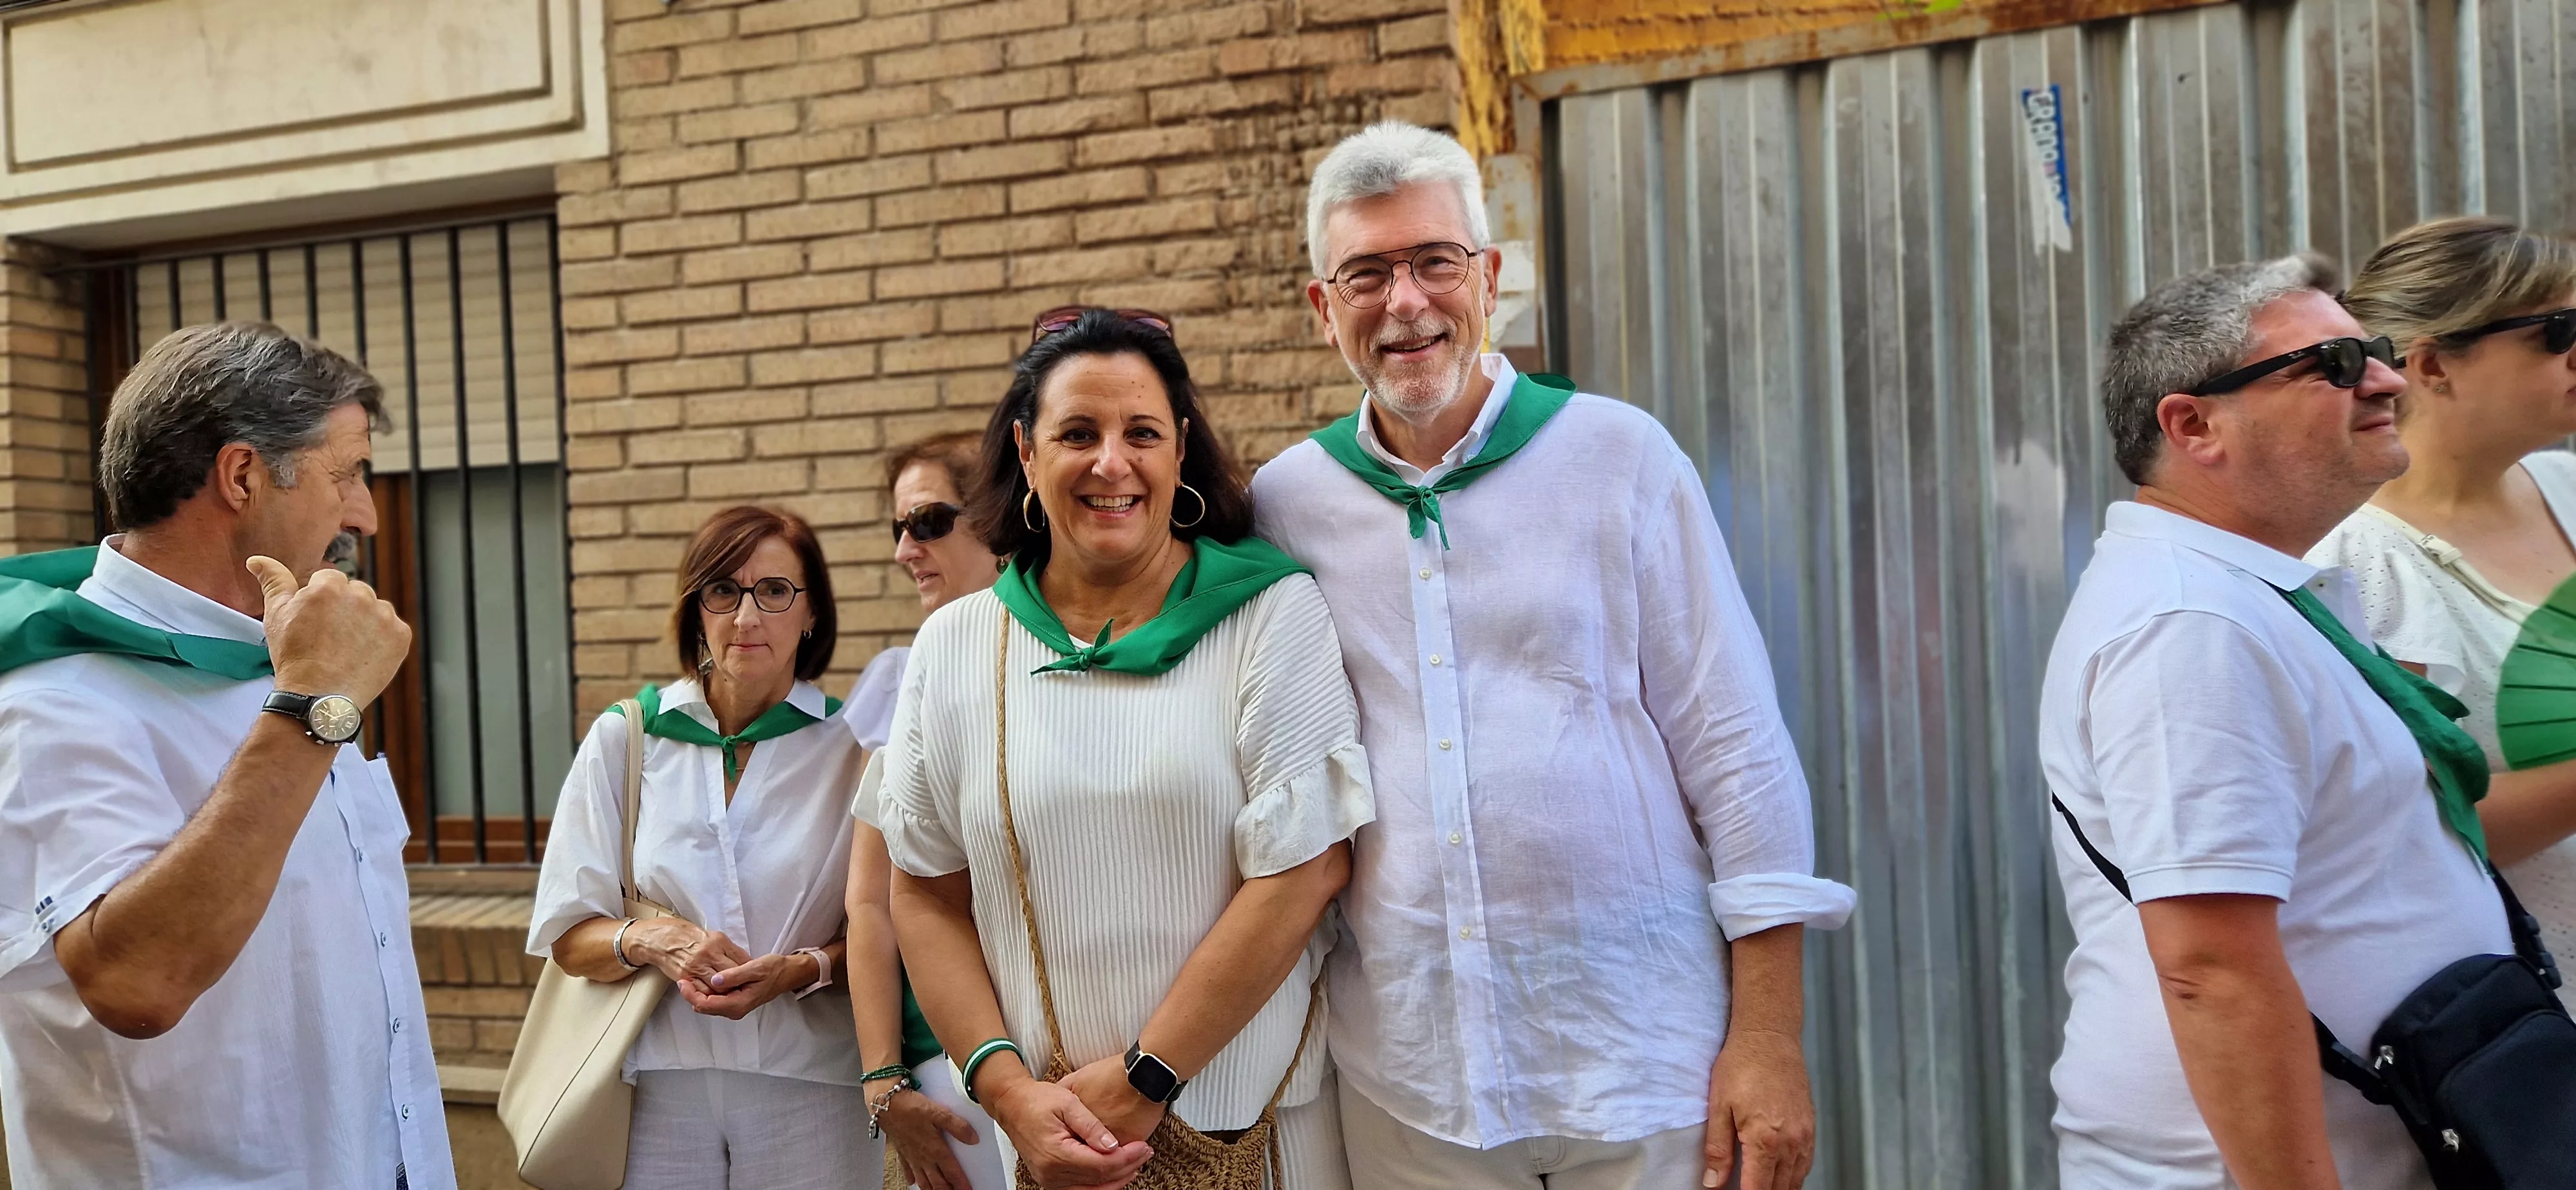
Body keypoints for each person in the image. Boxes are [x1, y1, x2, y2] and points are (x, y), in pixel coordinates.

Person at [1251, 121, 1855, 1190]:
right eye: (1368, 273)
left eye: (1436, 261)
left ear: (1489, 277)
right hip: (1412, 1080)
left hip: (1639, 1058)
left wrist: (1767, 1037)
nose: (1407, 302)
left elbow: (1737, 746)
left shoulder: (1616, 458)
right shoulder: (1289, 505)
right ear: (1321, 306)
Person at [2040, 254, 2512, 1189]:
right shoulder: (2190, 624)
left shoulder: (2245, 592)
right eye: (2334, 365)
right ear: (2194, 425)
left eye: (2372, 351)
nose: (2383, 379)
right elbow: (2211, 967)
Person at [874, 307, 1373, 1189]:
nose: (1113, 462)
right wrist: (1007, 1092)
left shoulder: (1269, 614)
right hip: (1049, 1142)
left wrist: (1148, 1075)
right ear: (1027, 453)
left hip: (1250, 1139)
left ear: (1179, 448)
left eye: (1142, 432)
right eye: (1078, 433)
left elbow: (1306, 869)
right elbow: (923, 894)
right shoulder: (956, 647)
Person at [0, 322, 453, 1188]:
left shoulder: (283, 662)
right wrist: (313, 710)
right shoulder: (52, 702)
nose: (364, 511)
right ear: (242, 475)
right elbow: (137, 981)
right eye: (348, 473)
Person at [526, 505, 873, 1190]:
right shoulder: (628, 737)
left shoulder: (857, 746)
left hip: (812, 1085)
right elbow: (569, 936)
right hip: (656, 1084)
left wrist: (802, 968)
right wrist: (654, 940)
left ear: (811, 614)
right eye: (723, 590)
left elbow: (887, 926)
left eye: (774, 592)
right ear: (696, 609)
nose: (747, 619)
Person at [2307, 216, 2576, 1006]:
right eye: (2557, 331)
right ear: (2431, 366)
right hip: (2525, 1032)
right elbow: (2420, 832)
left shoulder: (2565, 486)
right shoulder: (2353, 569)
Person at [844, 431, 1008, 1190]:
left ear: (998, 516)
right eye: (898, 528)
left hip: (1095, 1066)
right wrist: (885, 1080)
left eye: (930, 522)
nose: (907, 548)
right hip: (946, 1070)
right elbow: (870, 903)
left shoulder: (1077, 657)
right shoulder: (901, 685)